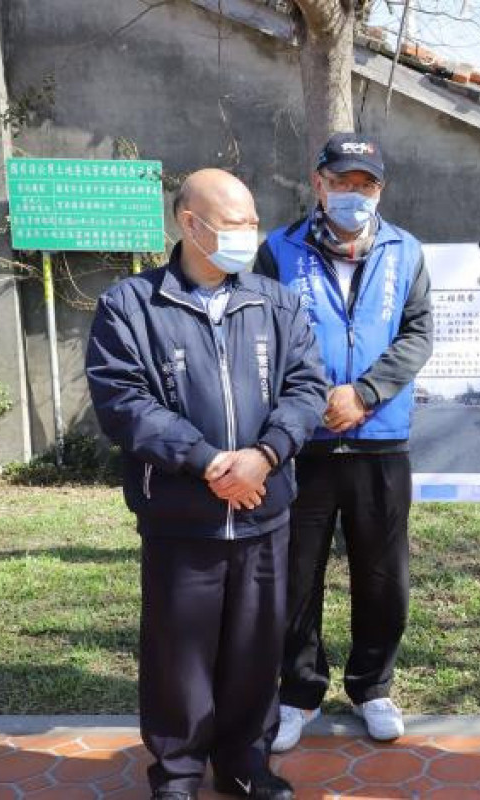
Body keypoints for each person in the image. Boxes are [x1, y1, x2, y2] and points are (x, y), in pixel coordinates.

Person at [85, 169, 328, 800]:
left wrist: (265, 455)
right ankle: (177, 772)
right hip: (180, 517)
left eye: (253, 220)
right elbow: (123, 401)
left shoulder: (276, 302)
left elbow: (306, 387)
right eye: (236, 221)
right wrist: (209, 463)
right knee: (178, 655)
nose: (250, 232)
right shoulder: (131, 306)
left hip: (264, 512)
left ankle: (246, 764)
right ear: (190, 224)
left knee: (255, 649)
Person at [254, 133, 433, 749]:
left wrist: (366, 393)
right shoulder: (278, 250)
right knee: (294, 576)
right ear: (319, 183)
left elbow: (417, 335)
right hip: (304, 443)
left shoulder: (405, 252)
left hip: (381, 439)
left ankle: (372, 686)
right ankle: (298, 692)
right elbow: (264, 337)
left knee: (383, 575)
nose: (354, 195)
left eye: (367, 185)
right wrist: (315, 400)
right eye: (343, 182)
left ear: (379, 190)